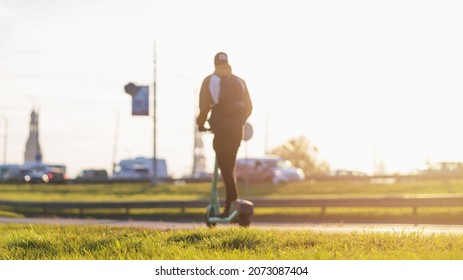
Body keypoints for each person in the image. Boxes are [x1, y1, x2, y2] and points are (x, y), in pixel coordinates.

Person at [196, 52, 253, 217]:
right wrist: (240, 122)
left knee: (225, 168)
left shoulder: (210, 81)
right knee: (230, 165)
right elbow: (249, 107)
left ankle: (232, 204)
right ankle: (230, 206)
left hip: (220, 129)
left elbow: (204, 107)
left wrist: (201, 124)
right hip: (236, 130)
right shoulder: (240, 82)